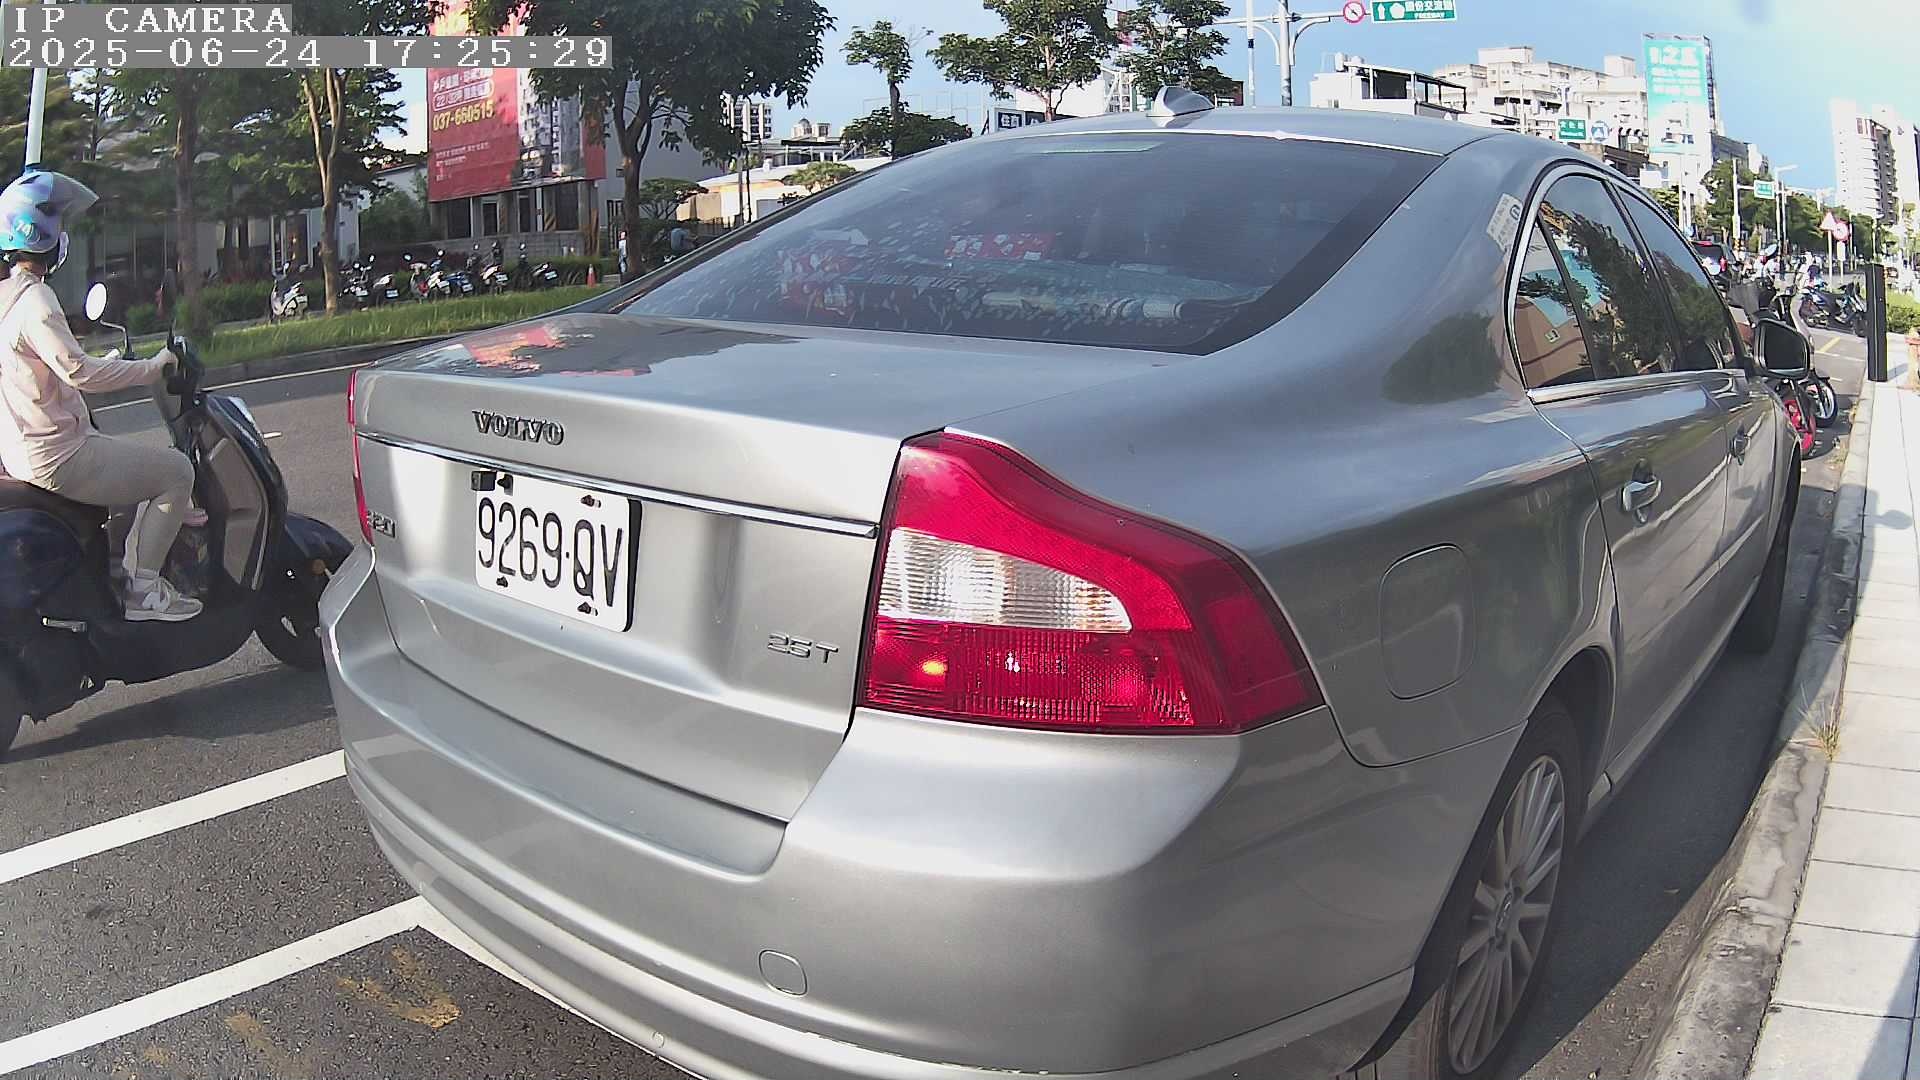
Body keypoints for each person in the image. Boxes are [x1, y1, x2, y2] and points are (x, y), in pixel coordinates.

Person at [0, 170, 200, 621]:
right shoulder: (36, 299)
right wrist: (151, 368)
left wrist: (105, 361)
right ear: (45, 235)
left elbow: (39, 365)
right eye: (60, 225)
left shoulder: (7, 298)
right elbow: (78, 372)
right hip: (58, 454)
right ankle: (144, 591)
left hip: (26, 451)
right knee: (176, 472)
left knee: (129, 478)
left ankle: (111, 573)